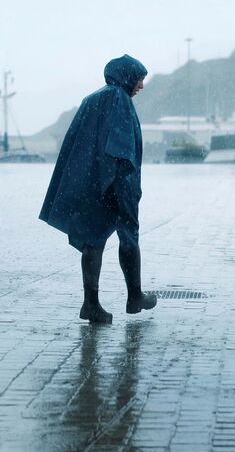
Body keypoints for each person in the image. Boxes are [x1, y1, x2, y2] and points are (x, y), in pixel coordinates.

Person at [39, 54, 158, 325]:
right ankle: (135, 296)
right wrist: (125, 189)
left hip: (90, 182)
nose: (141, 85)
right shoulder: (120, 100)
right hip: (117, 182)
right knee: (129, 234)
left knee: (94, 237)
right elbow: (119, 150)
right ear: (128, 75)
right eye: (140, 78)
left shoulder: (92, 99)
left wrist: (91, 180)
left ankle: (91, 304)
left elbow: (78, 145)